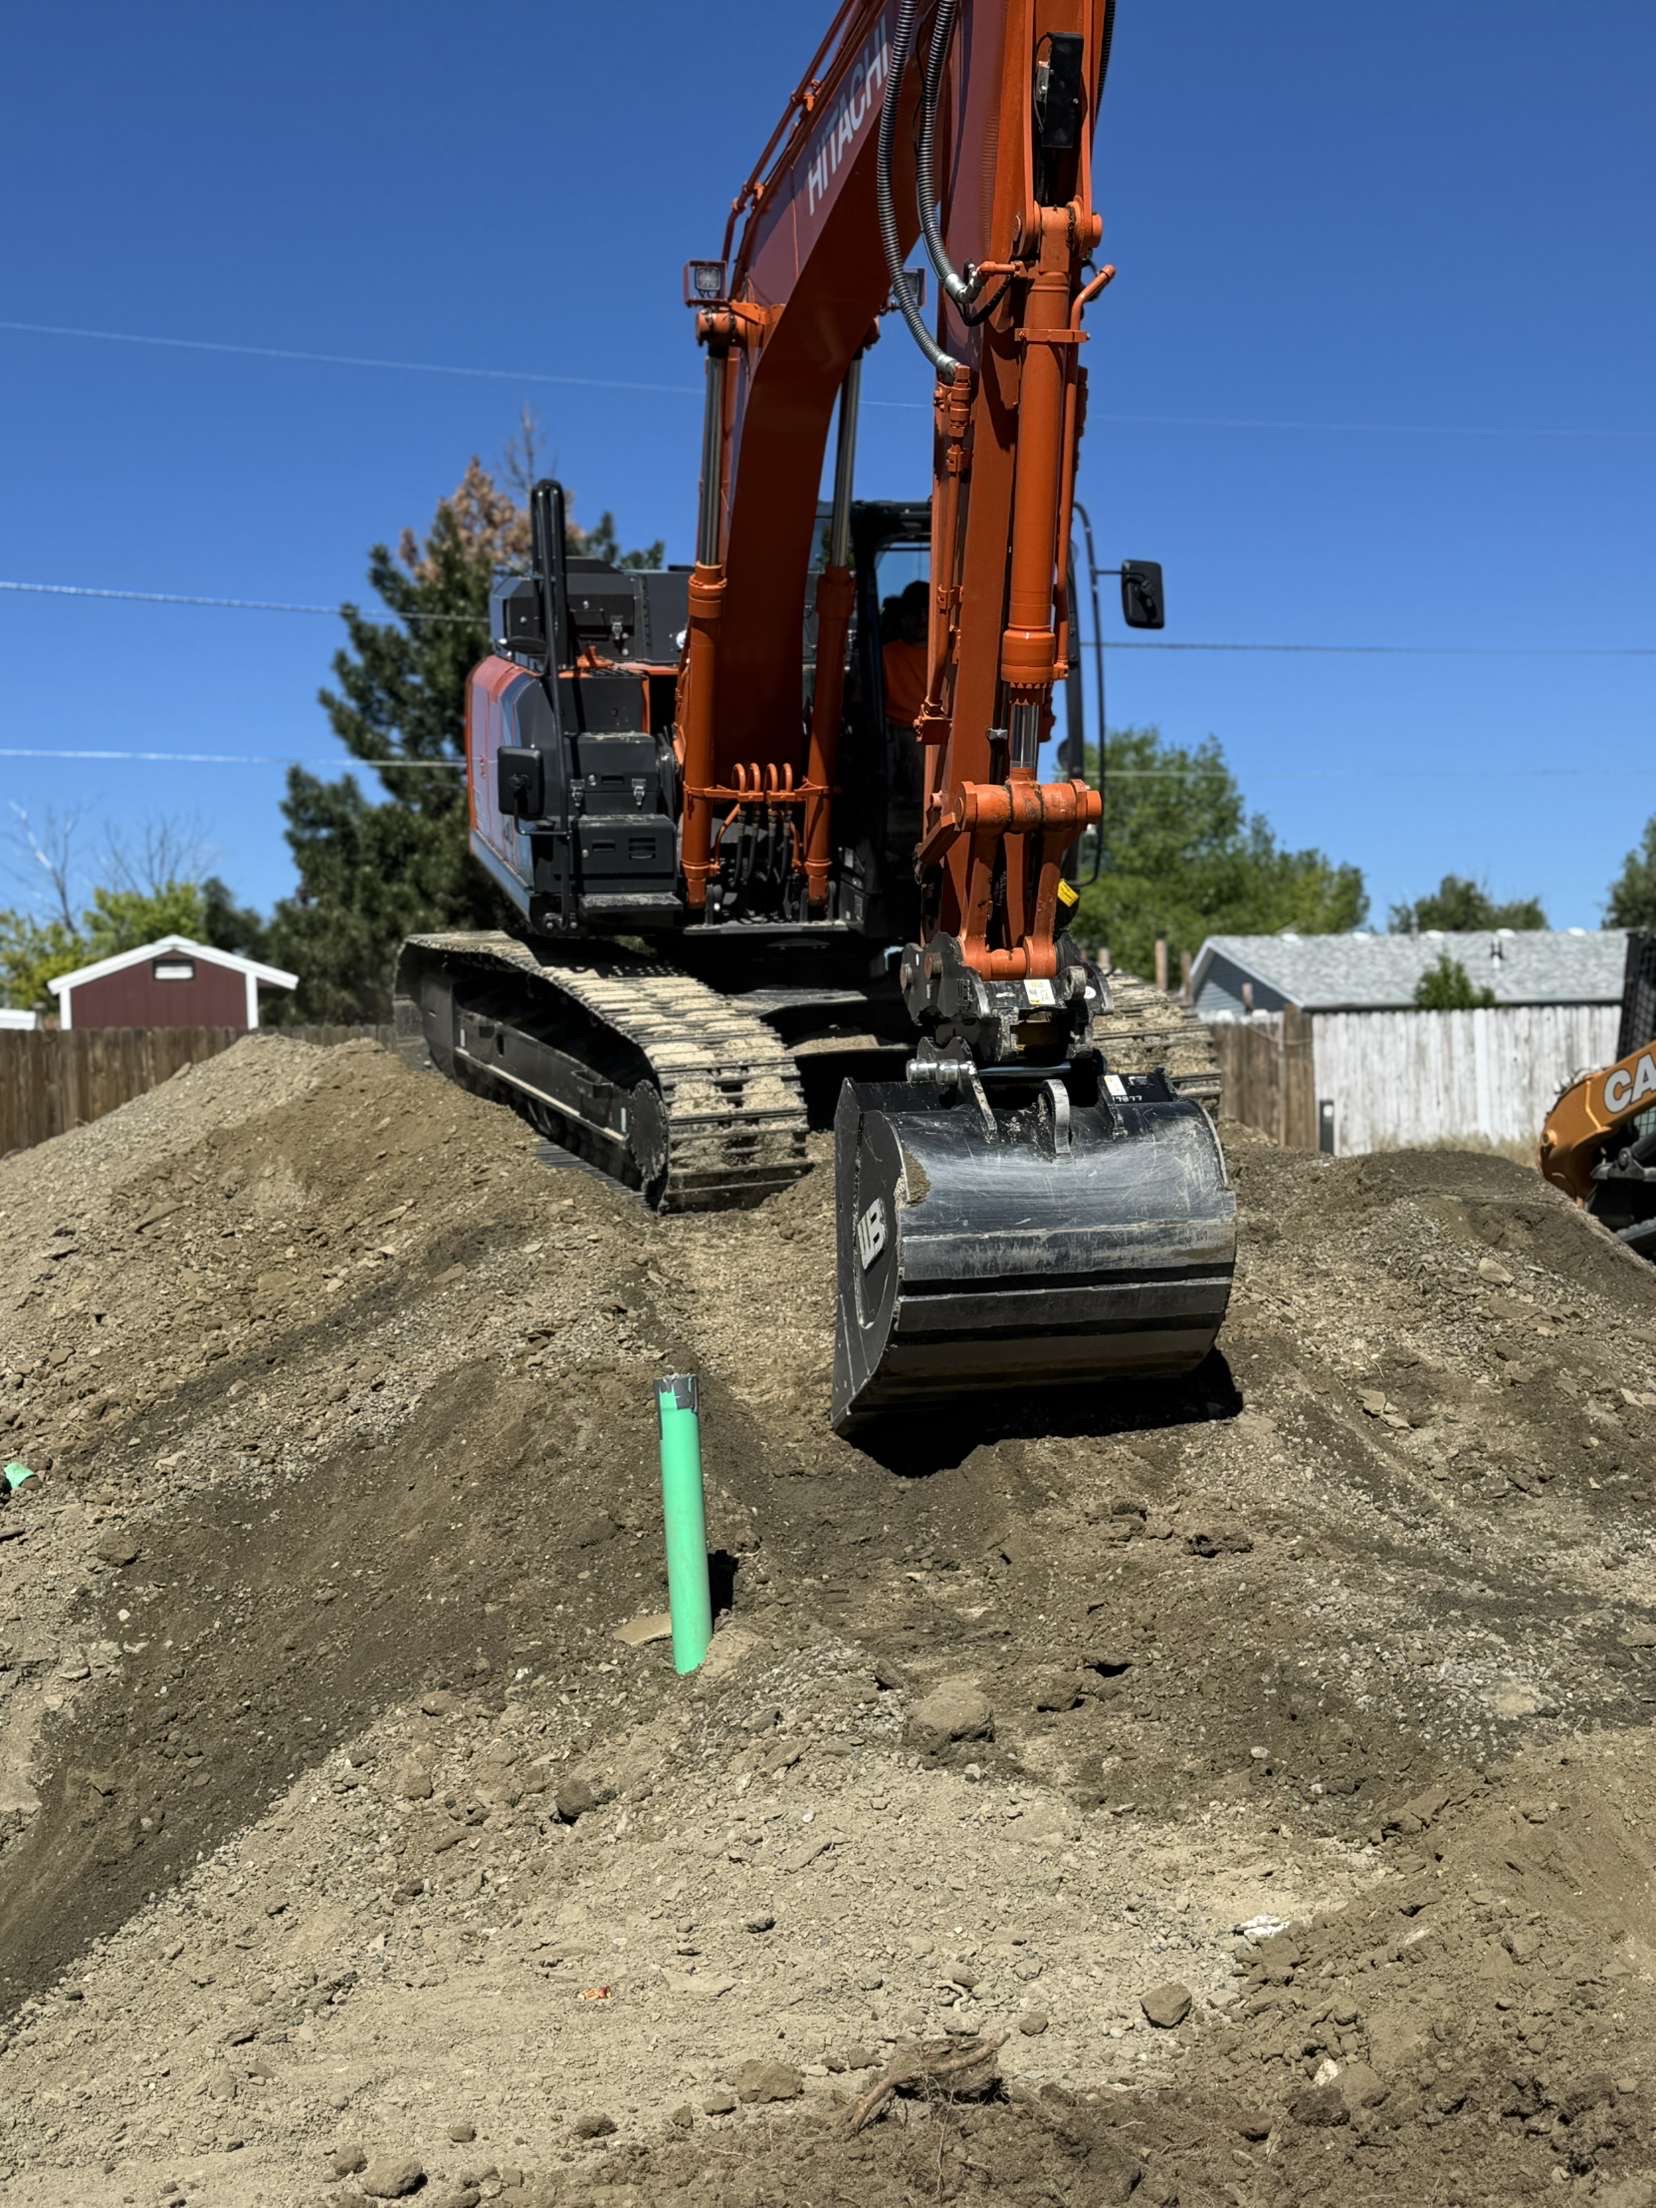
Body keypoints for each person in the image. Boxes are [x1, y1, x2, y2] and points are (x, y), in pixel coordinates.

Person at [881, 579, 930, 729]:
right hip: (900, 732)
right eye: (915, 611)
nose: (922, 619)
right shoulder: (885, 655)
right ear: (903, 616)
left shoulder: (950, 656)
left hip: (941, 733)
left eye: (927, 611)